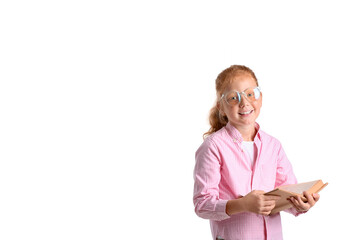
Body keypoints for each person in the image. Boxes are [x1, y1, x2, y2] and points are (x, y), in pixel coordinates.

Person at [193, 65, 320, 240]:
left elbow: (288, 195)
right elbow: (202, 205)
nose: (244, 102)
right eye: (233, 97)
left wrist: (301, 205)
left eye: (250, 94)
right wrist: (243, 204)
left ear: (260, 98)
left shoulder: (273, 146)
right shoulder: (213, 147)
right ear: (221, 107)